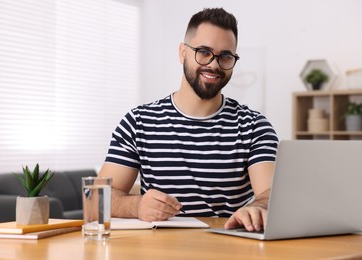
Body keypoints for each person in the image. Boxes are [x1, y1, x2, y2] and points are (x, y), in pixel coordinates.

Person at [99, 7, 278, 232]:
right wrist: (136, 206)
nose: (214, 64)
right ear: (183, 52)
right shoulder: (138, 122)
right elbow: (97, 198)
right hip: (157, 250)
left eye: (225, 56)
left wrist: (258, 207)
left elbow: (271, 194)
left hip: (229, 249)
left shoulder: (254, 126)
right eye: (203, 51)